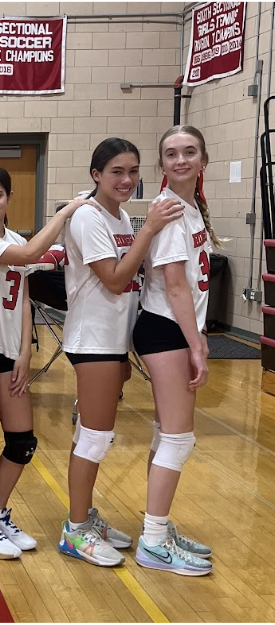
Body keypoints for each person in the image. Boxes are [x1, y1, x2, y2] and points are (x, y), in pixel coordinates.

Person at [58, 138, 183, 567]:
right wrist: (149, 230)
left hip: (113, 340)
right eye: (116, 171)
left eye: (133, 171)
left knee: (93, 436)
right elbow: (113, 279)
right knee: (93, 438)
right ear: (96, 175)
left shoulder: (123, 216)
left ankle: (84, 518)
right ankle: (75, 531)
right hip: (92, 340)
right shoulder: (89, 217)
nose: (127, 180)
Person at [0, 165, 86, 559]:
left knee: (22, 441)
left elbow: (22, 294)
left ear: (8, 197)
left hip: (8, 352)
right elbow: (29, 255)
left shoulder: (12, 237)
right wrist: (63, 213)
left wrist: (26, 349)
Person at [132, 125, 216, 576]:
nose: (180, 159)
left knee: (168, 436)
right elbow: (175, 283)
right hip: (167, 329)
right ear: (161, 164)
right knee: (180, 439)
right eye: (171, 153)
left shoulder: (190, 207)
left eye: (189, 152)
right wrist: (197, 344)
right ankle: (153, 541)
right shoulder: (167, 209)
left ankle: (158, 529)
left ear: (203, 160)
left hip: (175, 329)